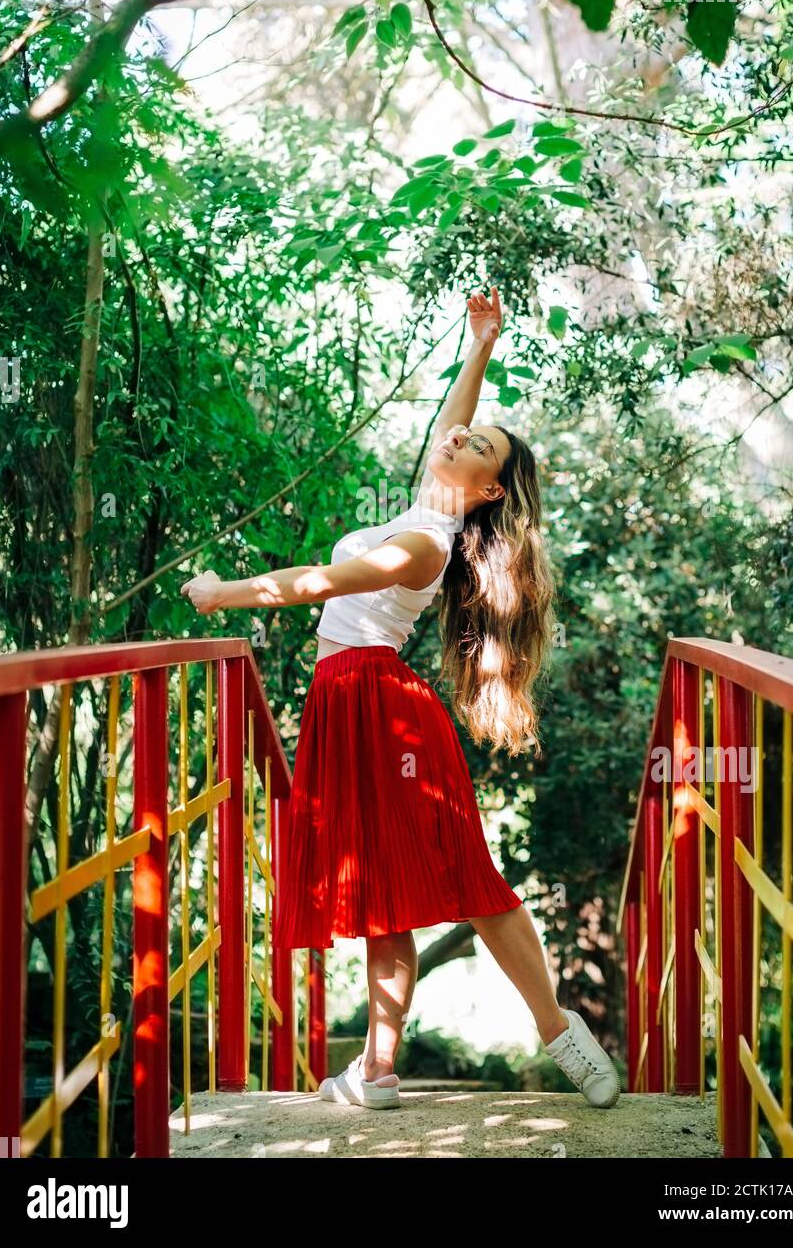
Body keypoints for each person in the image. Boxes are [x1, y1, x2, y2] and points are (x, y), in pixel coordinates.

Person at [181, 285, 620, 1112]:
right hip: (347, 701)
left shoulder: (424, 542)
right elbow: (448, 423)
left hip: (379, 705)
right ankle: (377, 1070)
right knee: (381, 884)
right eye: (461, 433)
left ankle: (561, 1034)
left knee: (465, 878)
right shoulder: (427, 506)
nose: (454, 436)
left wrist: (224, 591)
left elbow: (319, 583)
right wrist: (479, 345)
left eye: (474, 444)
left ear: (488, 487)